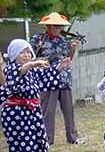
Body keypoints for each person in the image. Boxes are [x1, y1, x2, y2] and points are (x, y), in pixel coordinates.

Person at [2, 39, 70, 152]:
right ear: (13, 54)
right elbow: (20, 72)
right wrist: (33, 64)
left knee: (39, 144)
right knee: (24, 147)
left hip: (32, 112)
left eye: (28, 51)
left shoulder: (31, 70)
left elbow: (46, 75)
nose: (26, 55)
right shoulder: (11, 69)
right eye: (22, 52)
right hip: (16, 114)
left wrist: (60, 67)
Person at [30, 12, 84, 145]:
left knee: (68, 110)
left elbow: (68, 58)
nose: (59, 29)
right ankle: (47, 139)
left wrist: (72, 49)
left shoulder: (63, 40)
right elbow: (30, 57)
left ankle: (72, 137)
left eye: (60, 27)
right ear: (49, 26)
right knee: (48, 110)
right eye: (56, 26)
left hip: (64, 79)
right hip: (47, 79)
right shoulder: (38, 39)